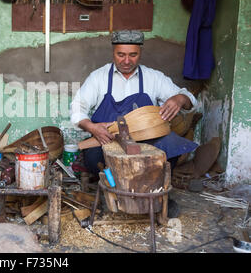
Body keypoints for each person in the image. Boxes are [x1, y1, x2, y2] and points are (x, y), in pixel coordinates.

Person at [70, 30, 198, 217]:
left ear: (140, 53)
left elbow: (191, 102)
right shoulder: (99, 77)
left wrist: (180, 98)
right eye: (121, 55)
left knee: (171, 147)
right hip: (108, 138)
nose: (126, 61)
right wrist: (92, 127)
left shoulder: (153, 77)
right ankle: (116, 194)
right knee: (93, 159)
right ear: (113, 52)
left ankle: (157, 195)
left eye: (133, 55)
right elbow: (76, 108)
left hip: (147, 139)